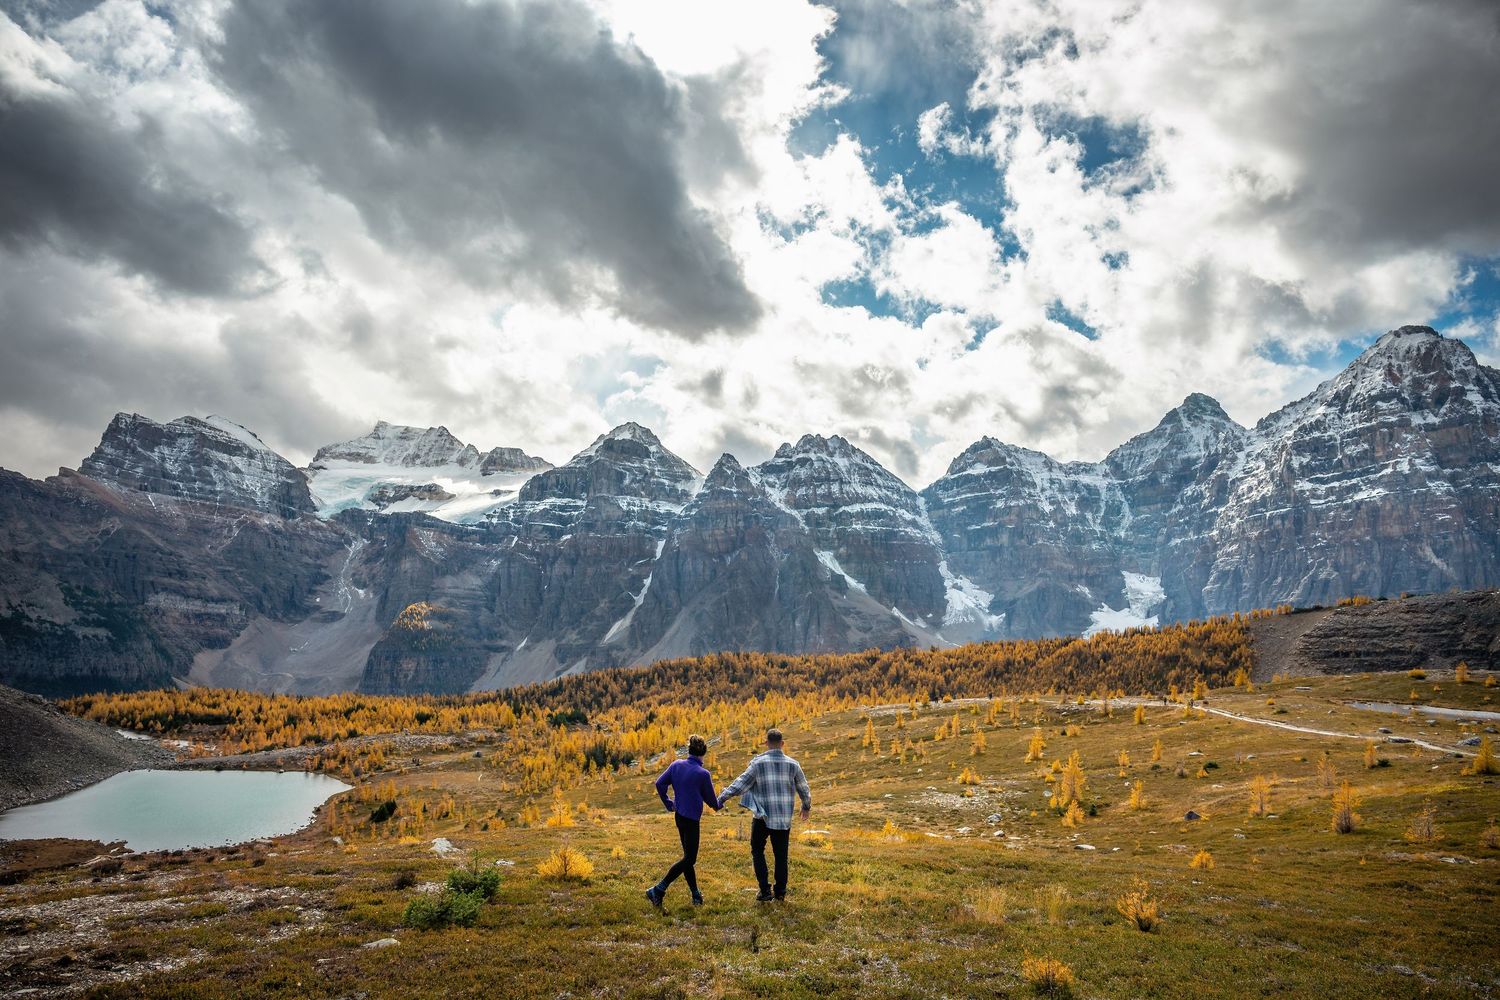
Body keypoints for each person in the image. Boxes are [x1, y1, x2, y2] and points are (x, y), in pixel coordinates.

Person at [717, 727, 812, 902]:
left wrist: (721, 798)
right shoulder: (794, 765)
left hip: (762, 816)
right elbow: (804, 789)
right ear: (782, 744)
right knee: (781, 855)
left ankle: (764, 890)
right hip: (783, 819)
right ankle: (781, 892)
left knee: (757, 850)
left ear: (766, 743)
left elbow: (740, 784)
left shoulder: (758, 764)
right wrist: (806, 806)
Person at [646, 734, 719, 907]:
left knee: (687, 857)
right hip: (692, 820)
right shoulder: (703, 774)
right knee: (690, 859)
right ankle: (658, 889)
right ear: (703, 753)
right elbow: (712, 802)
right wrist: (721, 801)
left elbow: (659, 784)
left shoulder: (676, 765)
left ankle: (696, 895)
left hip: (679, 816)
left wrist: (668, 803)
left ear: (690, 750)